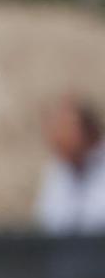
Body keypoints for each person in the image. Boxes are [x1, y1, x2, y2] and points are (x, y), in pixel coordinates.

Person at [36, 93, 105, 235]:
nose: (59, 138)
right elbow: (48, 222)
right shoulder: (58, 171)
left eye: (66, 129)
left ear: (88, 131)